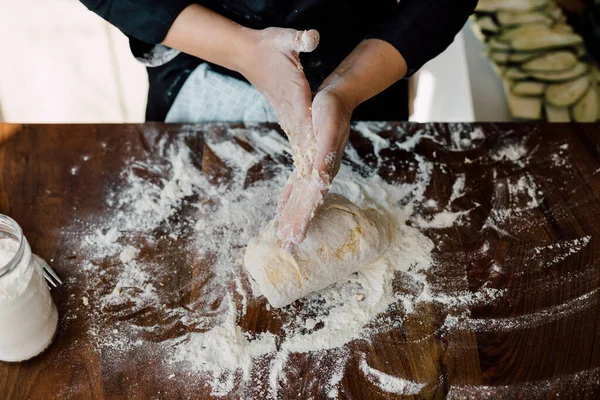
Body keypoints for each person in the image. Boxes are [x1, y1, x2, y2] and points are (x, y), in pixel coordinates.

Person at [80, 0, 477, 248]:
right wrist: (242, 49)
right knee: (183, 237)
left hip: (366, 61)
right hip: (204, 47)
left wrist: (345, 90)